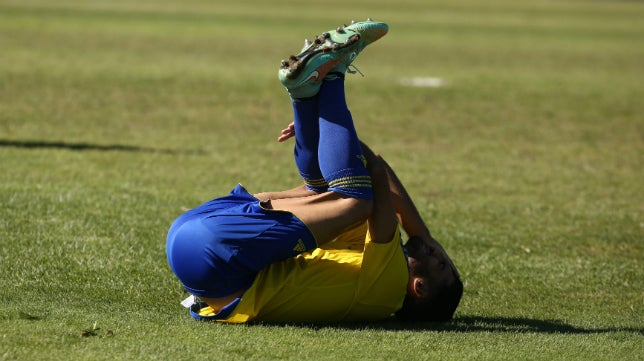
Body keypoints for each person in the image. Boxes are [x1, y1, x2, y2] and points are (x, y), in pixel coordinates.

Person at [165, 19, 463, 323]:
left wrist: (420, 232)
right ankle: (304, 95)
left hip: (217, 258)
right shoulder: (358, 262)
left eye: (441, 266)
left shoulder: (387, 290)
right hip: (197, 251)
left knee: (357, 202)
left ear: (420, 288)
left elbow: (376, 172)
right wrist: (328, 130)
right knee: (326, 192)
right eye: (445, 259)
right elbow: (355, 175)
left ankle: (332, 73)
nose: (438, 255)